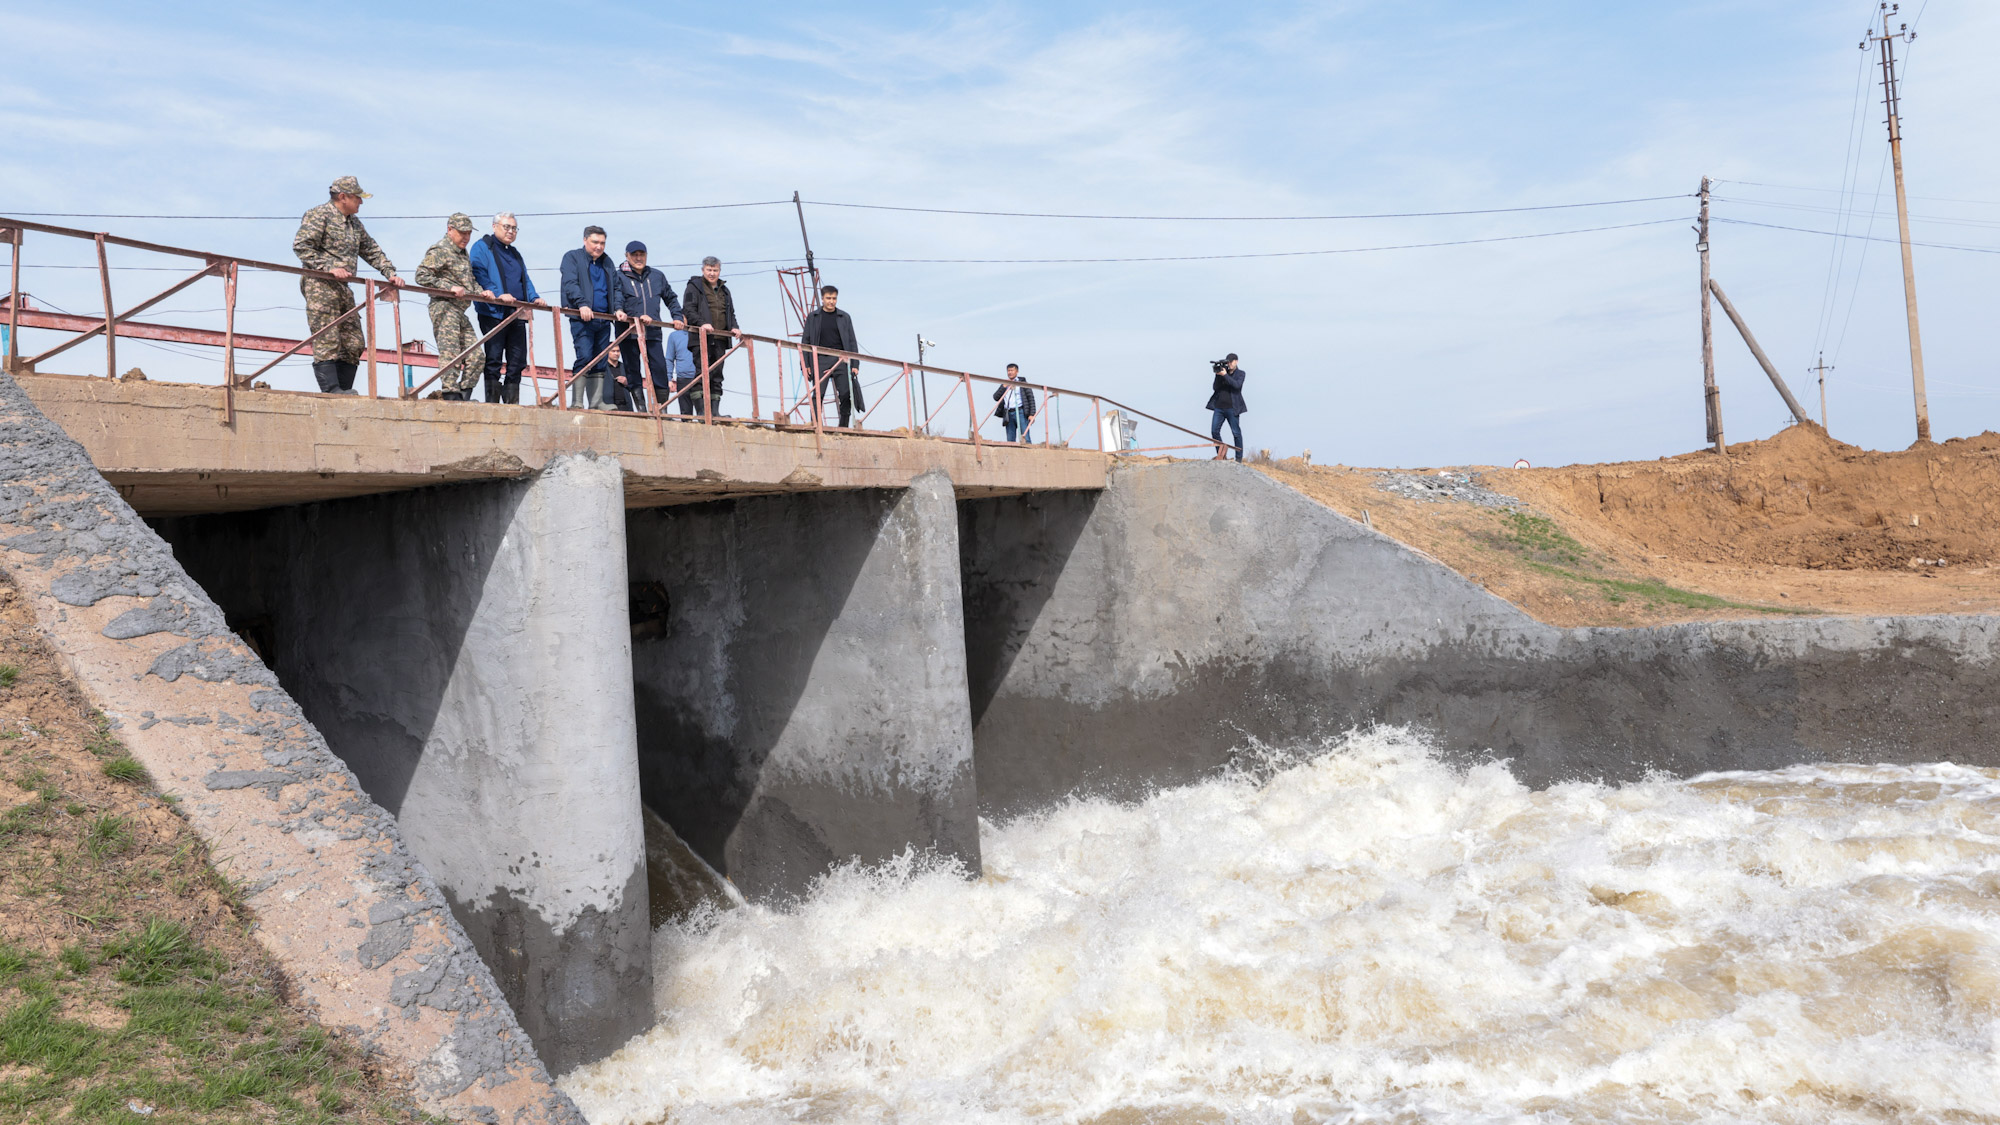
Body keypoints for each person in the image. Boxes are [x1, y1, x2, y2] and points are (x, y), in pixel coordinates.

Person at [292, 176, 400, 394]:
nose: (361, 202)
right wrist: (329, 267)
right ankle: (332, 390)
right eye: (357, 197)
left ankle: (344, 390)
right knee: (327, 336)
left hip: (343, 287)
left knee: (353, 341)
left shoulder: (354, 223)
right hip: (320, 285)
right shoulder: (319, 215)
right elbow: (301, 246)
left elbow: (371, 250)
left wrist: (390, 272)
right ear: (343, 197)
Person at [413, 213, 493, 401]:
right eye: (462, 233)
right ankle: (450, 393)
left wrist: (482, 291)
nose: (466, 237)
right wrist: (448, 288)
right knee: (451, 352)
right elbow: (421, 275)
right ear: (450, 230)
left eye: (468, 234)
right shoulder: (440, 249)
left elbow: (469, 281)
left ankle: (463, 395)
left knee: (476, 357)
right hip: (444, 306)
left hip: (460, 310)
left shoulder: (462, 253)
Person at [468, 212, 541, 404]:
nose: (510, 231)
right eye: (506, 227)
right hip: (493, 312)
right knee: (493, 358)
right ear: (494, 227)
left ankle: (511, 403)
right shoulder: (482, 247)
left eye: (514, 228)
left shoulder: (515, 253)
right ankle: (492, 402)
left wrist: (534, 297)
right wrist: (497, 293)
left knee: (517, 360)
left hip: (517, 313)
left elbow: (524, 279)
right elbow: (478, 273)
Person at [612, 241, 686, 413]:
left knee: (659, 367)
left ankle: (662, 407)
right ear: (627, 256)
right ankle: (641, 408)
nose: (638, 258)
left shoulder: (657, 276)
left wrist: (677, 316)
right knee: (632, 369)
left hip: (652, 332)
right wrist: (620, 310)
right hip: (628, 332)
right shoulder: (619, 276)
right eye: (634, 255)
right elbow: (617, 296)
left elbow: (671, 298)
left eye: (642, 254)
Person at [559, 226, 621, 409]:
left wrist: (617, 308)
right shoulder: (572, 257)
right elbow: (570, 283)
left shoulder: (607, 262)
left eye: (602, 243)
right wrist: (581, 304)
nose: (599, 247)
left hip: (604, 319)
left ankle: (596, 402)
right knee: (585, 355)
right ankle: (577, 402)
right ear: (585, 240)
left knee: (601, 359)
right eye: (595, 242)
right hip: (582, 318)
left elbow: (616, 287)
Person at [681, 256, 741, 416]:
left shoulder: (725, 290)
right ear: (703, 270)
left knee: (717, 375)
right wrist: (702, 323)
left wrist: (735, 327)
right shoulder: (694, 287)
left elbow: (730, 313)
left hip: (720, 339)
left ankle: (715, 413)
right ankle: (701, 412)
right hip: (701, 338)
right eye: (709, 270)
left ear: (719, 271)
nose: (712, 273)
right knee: (702, 373)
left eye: (715, 270)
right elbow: (688, 309)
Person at [800, 285, 864, 427]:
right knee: (818, 394)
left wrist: (855, 364)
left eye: (834, 298)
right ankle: (816, 425)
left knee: (846, 394)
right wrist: (806, 364)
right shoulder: (813, 317)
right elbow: (805, 342)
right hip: (820, 359)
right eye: (828, 298)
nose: (831, 301)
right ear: (822, 299)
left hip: (842, 359)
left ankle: (843, 427)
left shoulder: (844, 317)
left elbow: (852, 341)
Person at [1206, 353, 1247, 461]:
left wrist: (1225, 375)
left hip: (1232, 408)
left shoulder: (1241, 374)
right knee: (1214, 431)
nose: (1229, 364)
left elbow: (1236, 385)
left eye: (1231, 362)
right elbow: (1215, 388)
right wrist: (1218, 375)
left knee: (1236, 433)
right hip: (1219, 407)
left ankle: (1238, 458)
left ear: (1236, 361)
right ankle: (1221, 455)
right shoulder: (1223, 373)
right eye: (1227, 362)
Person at [992, 364, 1037, 443]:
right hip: (1008, 413)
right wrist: (1003, 387)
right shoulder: (1004, 384)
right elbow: (996, 397)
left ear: (1017, 371)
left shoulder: (1023, 383)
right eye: (1008, 371)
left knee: (1025, 436)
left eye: (1012, 370)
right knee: (1010, 439)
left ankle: (1028, 453)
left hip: (1021, 412)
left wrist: (1032, 414)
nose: (1010, 372)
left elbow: (1031, 398)